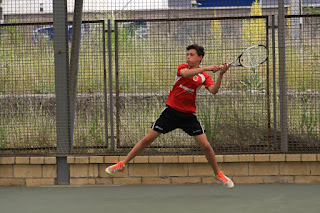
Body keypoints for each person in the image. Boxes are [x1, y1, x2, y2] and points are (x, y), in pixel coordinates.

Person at [105, 44, 234, 189]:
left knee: (206, 146)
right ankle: (122, 164)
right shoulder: (182, 68)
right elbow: (185, 75)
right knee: (147, 139)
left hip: (188, 116)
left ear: (200, 57)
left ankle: (218, 173)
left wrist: (221, 74)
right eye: (188, 54)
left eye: (191, 55)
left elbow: (214, 91)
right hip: (171, 112)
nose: (188, 57)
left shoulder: (204, 77)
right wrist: (206, 67)